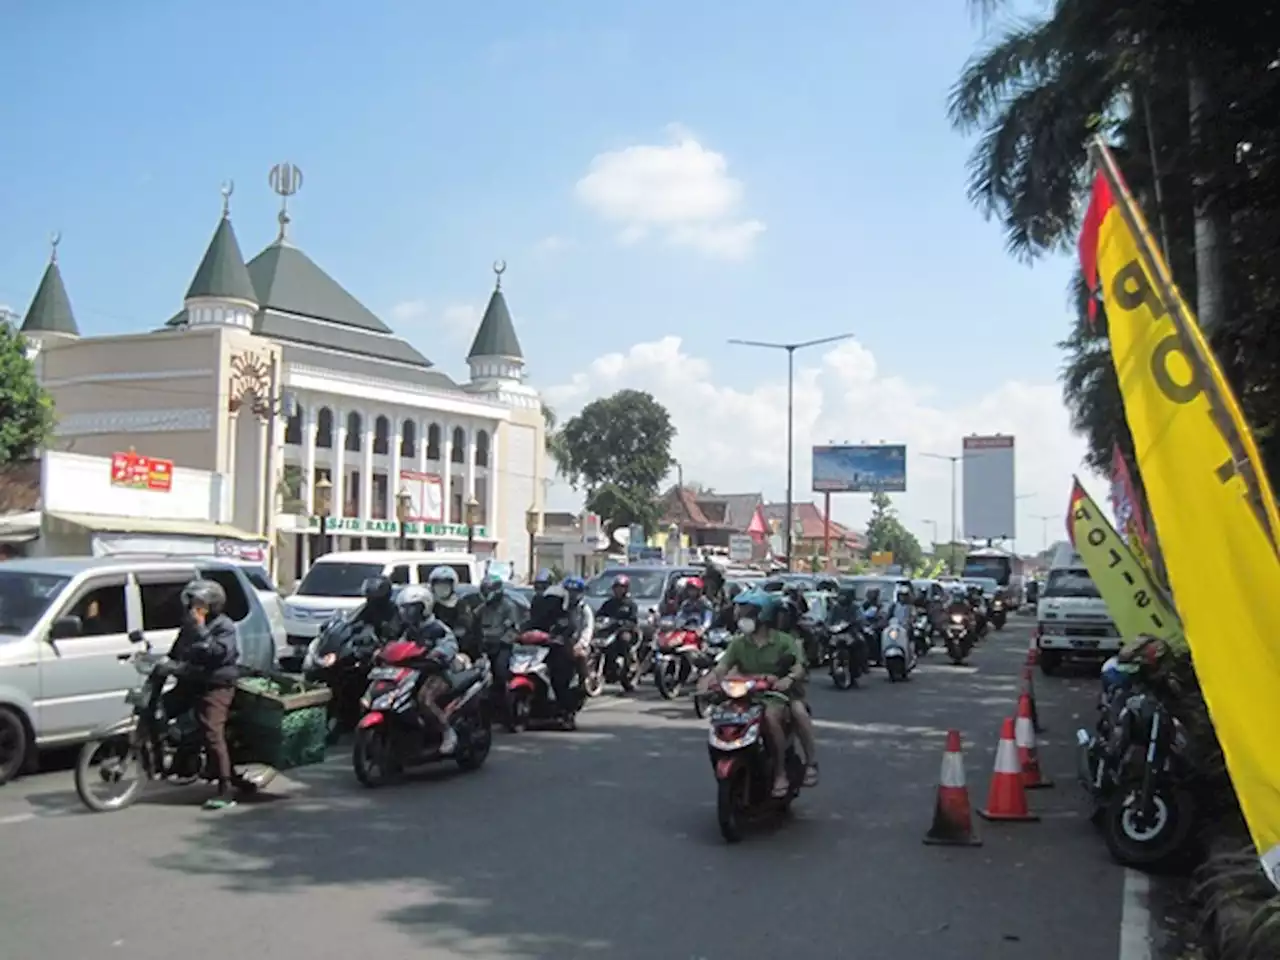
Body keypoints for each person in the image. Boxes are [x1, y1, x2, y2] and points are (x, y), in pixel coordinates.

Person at [714, 589, 818, 796]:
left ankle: (786, 771)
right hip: (747, 695)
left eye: (747, 612)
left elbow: (798, 667)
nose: (741, 617)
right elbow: (722, 666)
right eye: (741, 611)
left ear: (763, 615)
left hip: (778, 695)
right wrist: (713, 680)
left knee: (773, 716)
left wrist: (787, 679)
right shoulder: (739, 643)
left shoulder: (784, 641)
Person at [163, 579, 243, 810]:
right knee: (161, 708)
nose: (193, 609)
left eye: (198, 604)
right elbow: (176, 652)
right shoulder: (189, 624)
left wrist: (199, 628)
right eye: (191, 603)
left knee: (211, 731)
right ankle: (179, 759)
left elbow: (218, 654)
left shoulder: (223, 626)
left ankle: (226, 789)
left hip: (217, 685)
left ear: (212, 605)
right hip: (191, 680)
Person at [394, 585, 462, 754]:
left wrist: (438, 655)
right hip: (413, 673)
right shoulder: (409, 631)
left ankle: (447, 732)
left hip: (440, 673)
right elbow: (399, 646)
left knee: (425, 699)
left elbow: (451, 646)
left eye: (411, 608)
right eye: (405, 609)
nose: (407, 613)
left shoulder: (438, 628)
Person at [524, 581, 578, 715]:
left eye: (555, 600)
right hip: (540, 652)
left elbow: (569, 628)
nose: (551, 603)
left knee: (559, 678)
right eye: (549, 600)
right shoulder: (541, 616)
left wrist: (558, 638)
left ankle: (565, 710)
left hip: (559, 651)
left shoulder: (566, 616)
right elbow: (529, 625)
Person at [475, 574, 522, 706]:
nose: (485, 593)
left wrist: (502, 641)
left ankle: (504, 706)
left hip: (501, 648)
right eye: (483, 590)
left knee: (500, 673)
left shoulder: (509, 607)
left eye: (487, 590)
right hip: (484, 648)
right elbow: (472, 626)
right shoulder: (482, 609)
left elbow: (514, 631)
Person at [428, 566, 477, 657]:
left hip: (457, 649)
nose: (442, 589)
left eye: (445, 585)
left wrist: (454, 633)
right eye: (438, 585)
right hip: (432, 647)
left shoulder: (461, 605)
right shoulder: (429, 604)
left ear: (452, 586)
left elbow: (464, 627)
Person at [563, 576, 594, 689]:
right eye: (569, 591)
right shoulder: (561, 607)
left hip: (578, 643)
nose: (572, 594)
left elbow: (587, 628)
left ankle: (583, 681)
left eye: (575, 591)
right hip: (561, 642)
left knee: (580, 656)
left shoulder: (584, 609)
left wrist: (581, 644)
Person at [352, 576, 403, 642]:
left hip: (386, 645)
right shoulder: (366, 607)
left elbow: (394, 631)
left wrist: (383, 628)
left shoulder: (392, 610)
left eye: (373, 597)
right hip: (366, 644)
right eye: (369, 596)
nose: (370, 600)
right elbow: (354, 620)